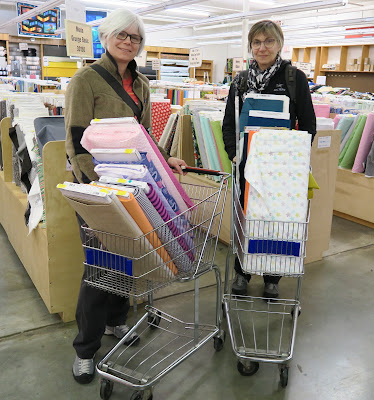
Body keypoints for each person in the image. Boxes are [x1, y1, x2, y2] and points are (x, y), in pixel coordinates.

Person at [65, 8, 187, 384]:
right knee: (100, 267)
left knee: (125, 259)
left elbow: (145, 140)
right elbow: (75, 141)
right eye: (122, 34)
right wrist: (98, 190)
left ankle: (116, 322)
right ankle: (85, 348)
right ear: (107, 37)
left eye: (135, 37)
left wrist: (166, 161)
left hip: (133, 190)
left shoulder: (144, 86)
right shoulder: (86, 80)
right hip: (97, 192)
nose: (129, 41)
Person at [222, 20, 316, 298]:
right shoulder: (239, 80)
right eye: (256, 42)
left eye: (269, 41)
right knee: (245, 215)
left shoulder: (293, 78)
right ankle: (242, 272)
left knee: (276, 216)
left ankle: (272, 276)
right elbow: (229, 122)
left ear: (279, 44)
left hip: (281, 166)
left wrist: (295, 158)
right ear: (250, 46)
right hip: (246, 163)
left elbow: (308, 123)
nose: (262, 48)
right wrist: (233, 152)